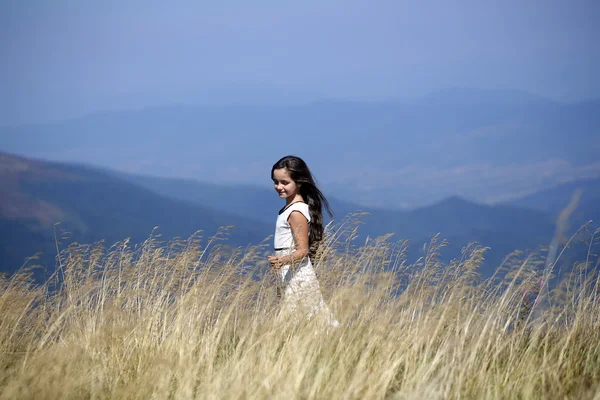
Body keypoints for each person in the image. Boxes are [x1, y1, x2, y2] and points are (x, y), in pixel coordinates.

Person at [268, 155, 339, 327]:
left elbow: (302, 250)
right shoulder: (291, 209)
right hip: (291, 274)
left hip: (297, 276)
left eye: (285, 182)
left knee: (298, 324)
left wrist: (282, 260)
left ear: (299, 182)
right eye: (276, 182)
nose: (279, 187)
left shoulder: (296, 212)